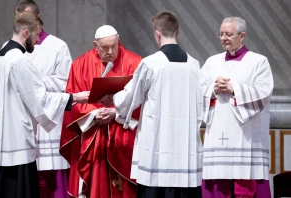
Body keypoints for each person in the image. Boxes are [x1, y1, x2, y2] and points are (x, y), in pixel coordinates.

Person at [0, 12, 89, 198]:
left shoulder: (0, 55)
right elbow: (40, 100)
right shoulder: (20, 61)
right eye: (37, 35)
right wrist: (75, 98)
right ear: (26, 32)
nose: (38, 39)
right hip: (16, 143)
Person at [102, 11, 203, 198]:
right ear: (177, 32)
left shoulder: (151, 64)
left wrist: (112, 98)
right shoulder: (195, 65)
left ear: (157, 33)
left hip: (158, 147)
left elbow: (130, 98)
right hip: (185, 150)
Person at [59, 25, 142, 197]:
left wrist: (115, 113)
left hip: (124, 137)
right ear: (95, 45)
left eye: (114, 46)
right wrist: (94, 113)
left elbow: (143, 101)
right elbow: (71, 102)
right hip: (92, 137)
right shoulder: (80, 65)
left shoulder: (135, 62)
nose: (111, 51)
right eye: (105, 47)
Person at [200, 16, 273, 198]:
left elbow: (264, 92)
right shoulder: (212, 62)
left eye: (229, 34)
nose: (224, 38)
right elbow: (197, 91)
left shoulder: (258, 62)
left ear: (242, 36)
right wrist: (213, 90)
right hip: (217, 136)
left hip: (246, 136)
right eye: (221, 34)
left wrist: (234, 90)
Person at [14, 1, 73, 197]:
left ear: (39, 19)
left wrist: (34, 83)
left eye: (27, 20)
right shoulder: (14, 51)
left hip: (49, 124)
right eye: (19, 20)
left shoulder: (57, 46)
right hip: (24, 123)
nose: (23, 26)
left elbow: (65, 81)